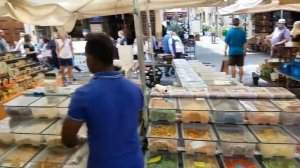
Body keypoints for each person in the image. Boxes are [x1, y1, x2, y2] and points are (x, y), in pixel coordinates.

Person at [61, 33, 143, 168]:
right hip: (134, 161)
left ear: (91, 59)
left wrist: (82, 141)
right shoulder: (135, 89)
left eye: (86, 57)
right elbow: (137, 120)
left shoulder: (83, 95)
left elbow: (68, 140)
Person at [224, 18, 247, 83]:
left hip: (232, 52)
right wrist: (245, 51)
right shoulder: (242, 32)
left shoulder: (229, 32)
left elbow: (227, 43)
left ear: (232, 23)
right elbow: (245, 43)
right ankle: (240, 80)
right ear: (238, 23)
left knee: (233, 66)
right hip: (240, 51)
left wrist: (225, 50)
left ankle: (233, 80)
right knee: (240, 67)